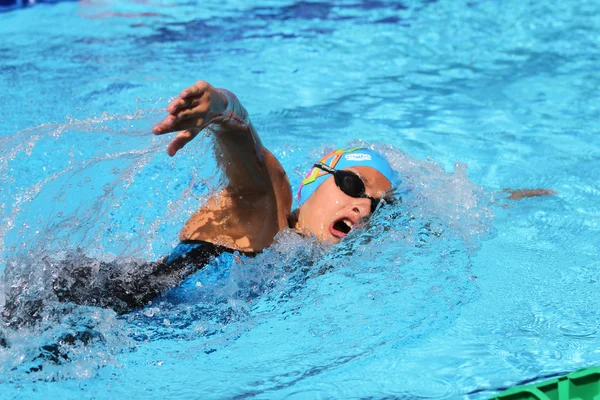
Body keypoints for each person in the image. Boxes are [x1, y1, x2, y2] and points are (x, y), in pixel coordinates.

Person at [2, 80, 555, 324]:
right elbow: (249, 157)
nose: (363, 209)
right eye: (354, 187)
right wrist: (223, 107)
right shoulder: (271, 211)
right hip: (81, 301)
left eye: (376, 206)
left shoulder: (307, 248)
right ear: (319, 181)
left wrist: (518, 196)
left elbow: (444, 208)